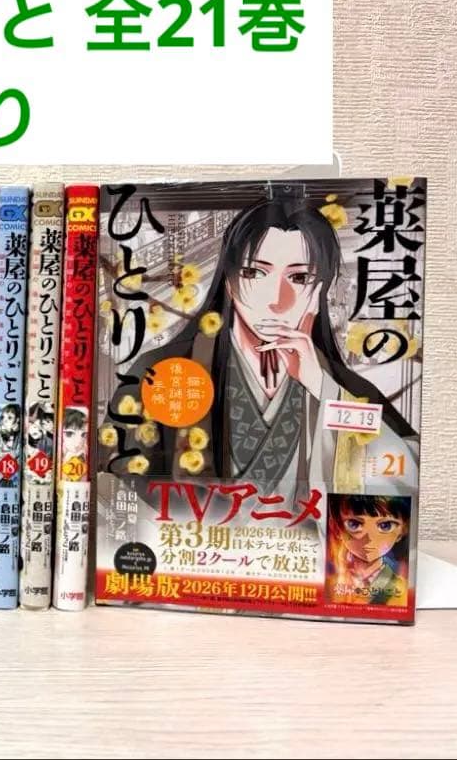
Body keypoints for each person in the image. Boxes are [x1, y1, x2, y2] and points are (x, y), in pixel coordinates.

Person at [98, 197, 418, 523]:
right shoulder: (160, 372)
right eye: (254, 273)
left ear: (320, 291)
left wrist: (324, 390)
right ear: (230, 282)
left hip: (299, 553)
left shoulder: (339, 387)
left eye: (299, 278)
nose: (276, 299)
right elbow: (112, 479)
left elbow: (408, 472)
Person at [326, 494, 410, 607]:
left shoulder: (404, 590)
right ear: (336, 528)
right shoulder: (327, 586)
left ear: (402, 531)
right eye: (354, 524)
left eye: (385, 525)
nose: (370, 538)